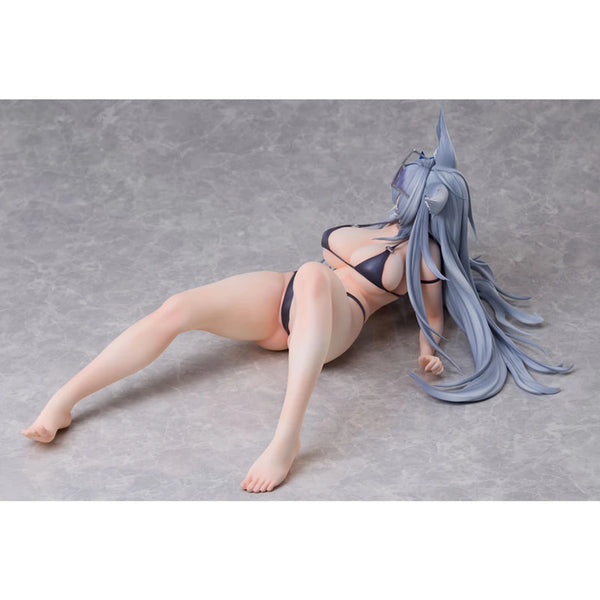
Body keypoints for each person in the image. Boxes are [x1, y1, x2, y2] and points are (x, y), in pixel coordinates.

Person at [21, 110, 572, 493]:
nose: (399, 192)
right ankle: (64, 401)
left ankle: (286, 440)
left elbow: (432, 318)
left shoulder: (425, 257)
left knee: (312, 272)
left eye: (410, 189)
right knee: (178, 307)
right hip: (283, 298)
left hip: (335, 321)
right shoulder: (376, 224)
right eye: (403, 183)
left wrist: (428, 352)